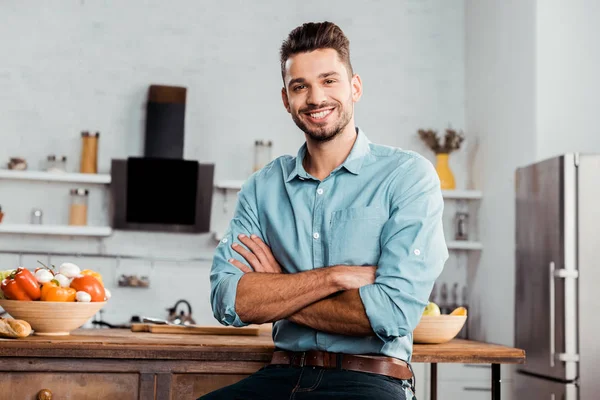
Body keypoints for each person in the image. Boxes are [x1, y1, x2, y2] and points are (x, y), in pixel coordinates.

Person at [201, 21, 448, 400]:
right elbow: (230, 299)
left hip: (370, 381)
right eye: (300, 86)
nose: (316, 98)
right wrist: (334, 277)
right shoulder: (261, 188)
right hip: (281, 376)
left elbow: (393, 312)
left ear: (355, 88)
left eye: (329, 81)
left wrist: (280, 288)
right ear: (286, 100)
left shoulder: (408, 177)